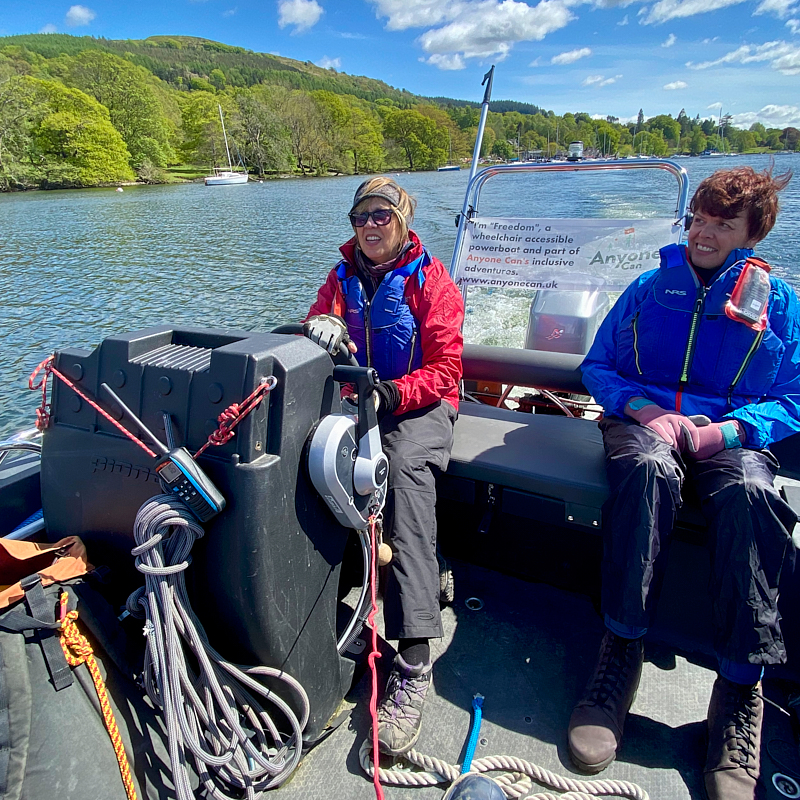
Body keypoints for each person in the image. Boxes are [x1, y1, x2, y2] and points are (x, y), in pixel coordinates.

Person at [572, 166, 797, 800]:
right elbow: (599, 366)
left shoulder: (778, 304)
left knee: (755, 498)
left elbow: (793, 397)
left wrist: (723, 434)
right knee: (644, 471)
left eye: (722, 224)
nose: (703, 232)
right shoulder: (648, 287)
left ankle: (739, 689)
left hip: (732, 433)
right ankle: (619, 653)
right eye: (698, 218)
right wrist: (646, 412)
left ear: (752, 234)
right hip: (647, 422)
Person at [303, 176, 464, 756]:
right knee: (308, 460)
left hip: (418, 405)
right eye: (359, 217)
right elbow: (317, 330)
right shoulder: (339, 278)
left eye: (380, 216)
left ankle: (415, 659)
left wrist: (395, 395)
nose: (369, 226)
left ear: (401, 221)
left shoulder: (431, 280)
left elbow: (447, 369)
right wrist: (316, 329)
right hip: (356, 400)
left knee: (398, 476)